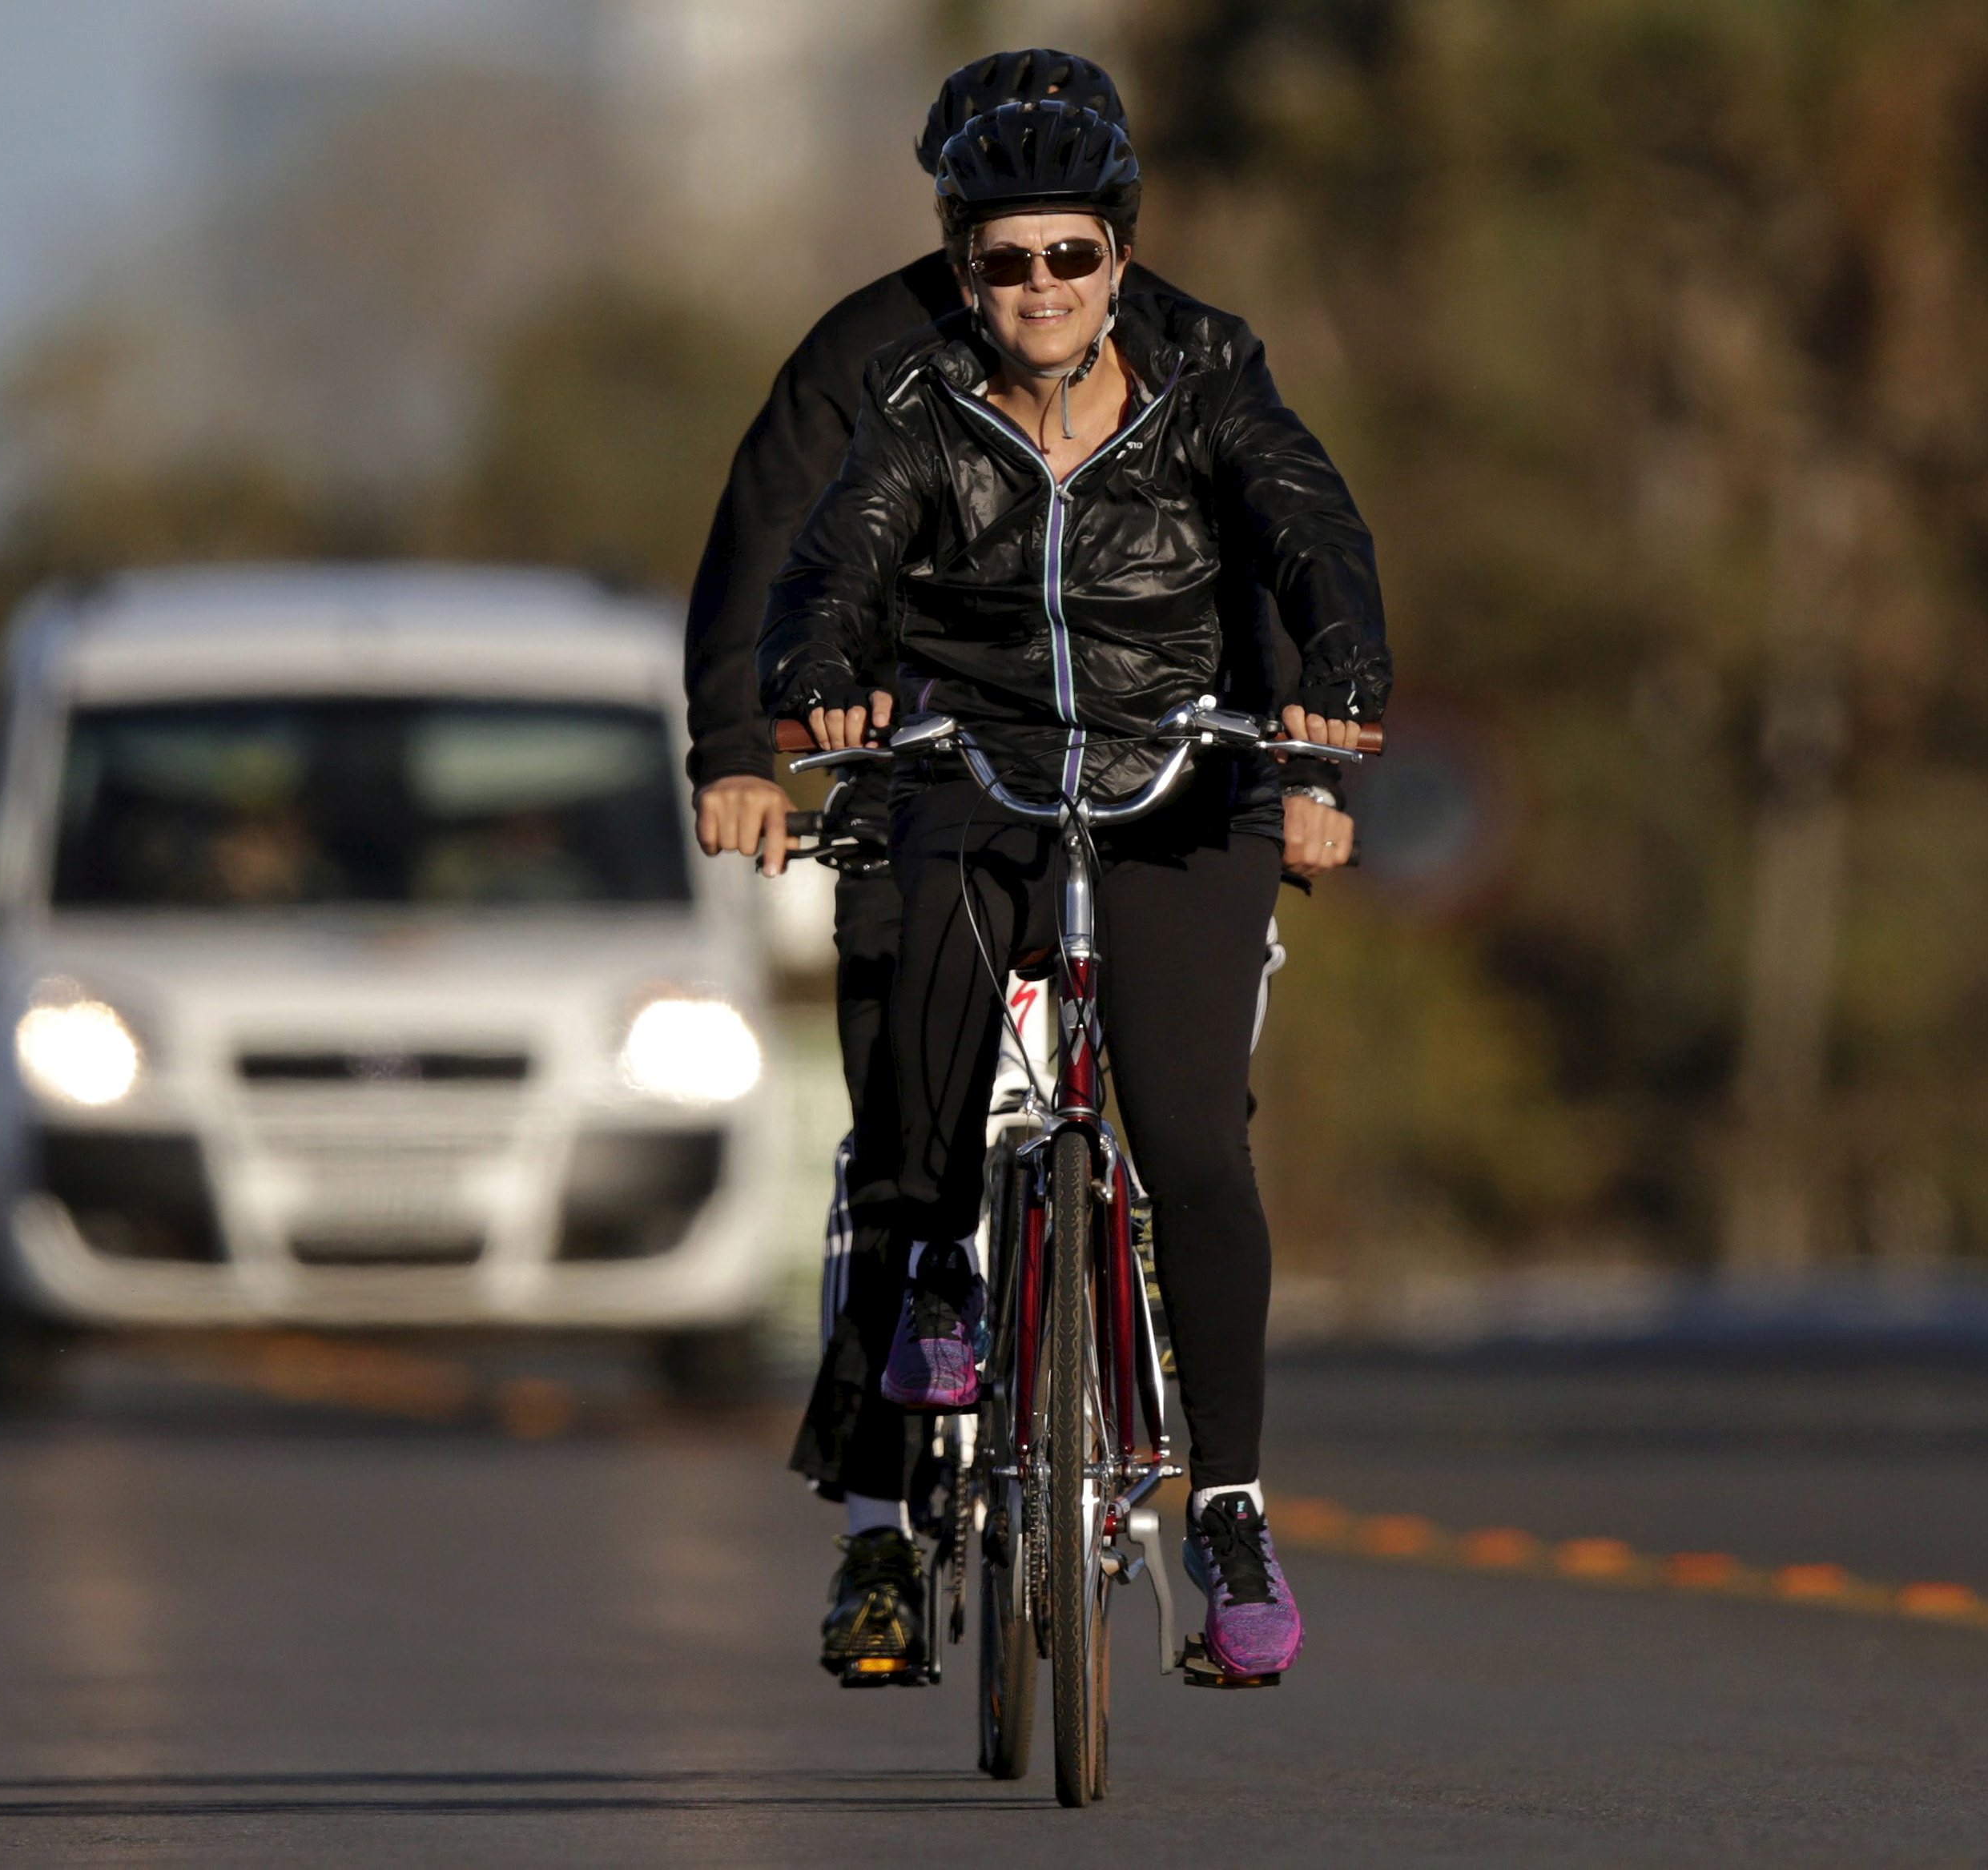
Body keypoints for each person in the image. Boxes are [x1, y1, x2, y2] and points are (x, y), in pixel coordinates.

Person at [678, 49, 1356, 1681]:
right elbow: (772, 551)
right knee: (904, 1137)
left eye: (1070, 250)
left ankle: (1225, 1500)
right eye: (1001, 250)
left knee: (1189, 1129)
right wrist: (743, 751)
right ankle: (878, 1538)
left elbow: (1281, 551)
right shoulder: (869, 360)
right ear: (951, 235)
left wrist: (1309, 738)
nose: (1039, 280)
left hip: (1159, 772)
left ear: (1117, 241)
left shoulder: (1197, 358)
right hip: (933, 759)